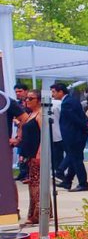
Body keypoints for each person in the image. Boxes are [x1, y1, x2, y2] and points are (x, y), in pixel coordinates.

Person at [53, 83, 88, 192]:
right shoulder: (71, 100)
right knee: (74, 158)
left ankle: (83, 183)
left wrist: (86, 128)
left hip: (74, 135)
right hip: (76, 134)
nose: (52, 94)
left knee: (76, 159)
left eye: (54, 92)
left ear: (61, 92)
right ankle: (67, 181)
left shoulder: (67, 103)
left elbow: (74, 119)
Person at [17, 90, 42, 224]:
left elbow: (43, 135)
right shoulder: (31, 114)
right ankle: (41, 211)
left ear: (38, 100)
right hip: (29, 153)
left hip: (36, 153)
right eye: (26, 98)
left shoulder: (40, 114)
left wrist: (39, 153)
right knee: (33, 183)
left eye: (31, 98)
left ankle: (38, 214)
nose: (27, 101)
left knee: (36, 185)